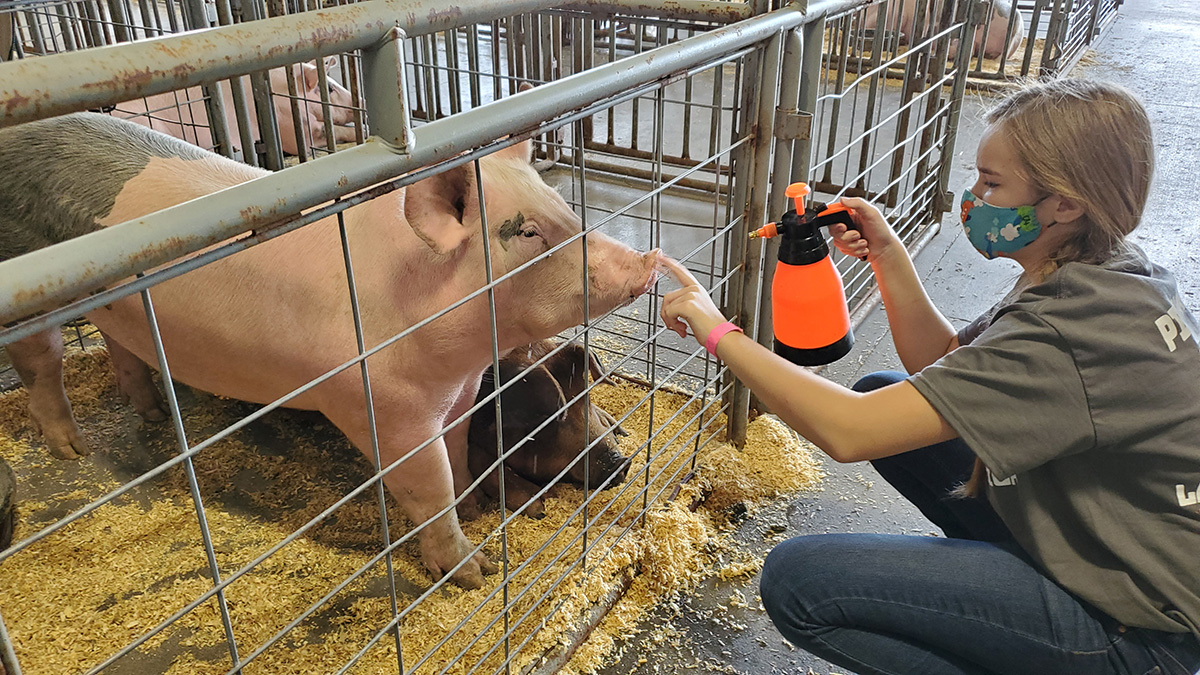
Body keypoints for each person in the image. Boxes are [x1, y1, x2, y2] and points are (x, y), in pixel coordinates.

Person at [659, 78, 1200, 675]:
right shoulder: (1101, 270)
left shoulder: (1069, 328)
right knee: (883, 389)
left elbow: (849, 433)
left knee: (800, 582)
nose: (973, 196)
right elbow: (943, 360)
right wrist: (888, 253)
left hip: (1144, 630)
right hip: (1111, 535)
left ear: (1065, 204)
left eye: (992, 184)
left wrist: (718, 331)